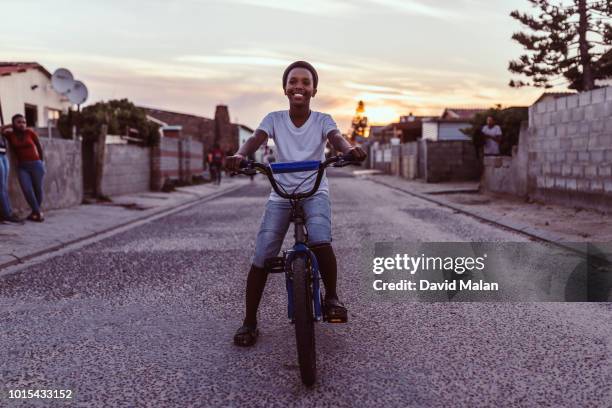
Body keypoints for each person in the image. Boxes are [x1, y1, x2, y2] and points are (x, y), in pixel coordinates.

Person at [225, 61, 367, 347]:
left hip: (314, 191)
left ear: (314, 90)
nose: (298, 86)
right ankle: (249, 322)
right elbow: (256, 138)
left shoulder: (323, 119)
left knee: (320, 239)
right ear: (285, 88)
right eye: (293, 81)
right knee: (263, 254)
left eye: (305, 82)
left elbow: (336, 138)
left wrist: (350, 151)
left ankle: (332, 297)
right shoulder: (274, 118)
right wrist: (240, 155)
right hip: (281, 191)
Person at [2, 114, 46, 222]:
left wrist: (41, 161)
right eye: (19, 122)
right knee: (27, 190)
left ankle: (35, 213)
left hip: (36, 164)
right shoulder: (10, 135)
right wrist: (9, 125)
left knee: (38, 190)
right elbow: (0, 130)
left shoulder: (30, 132)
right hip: (22, 167)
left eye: (24, 122)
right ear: (13, 124)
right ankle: (38, 213)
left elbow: (39, 147)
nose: (22, 124)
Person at [0, 125, 22, 224]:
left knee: (4, 186)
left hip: (3, 154)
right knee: (1, 187)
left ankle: (8, 212)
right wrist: (12, 125)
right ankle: (7, 214)